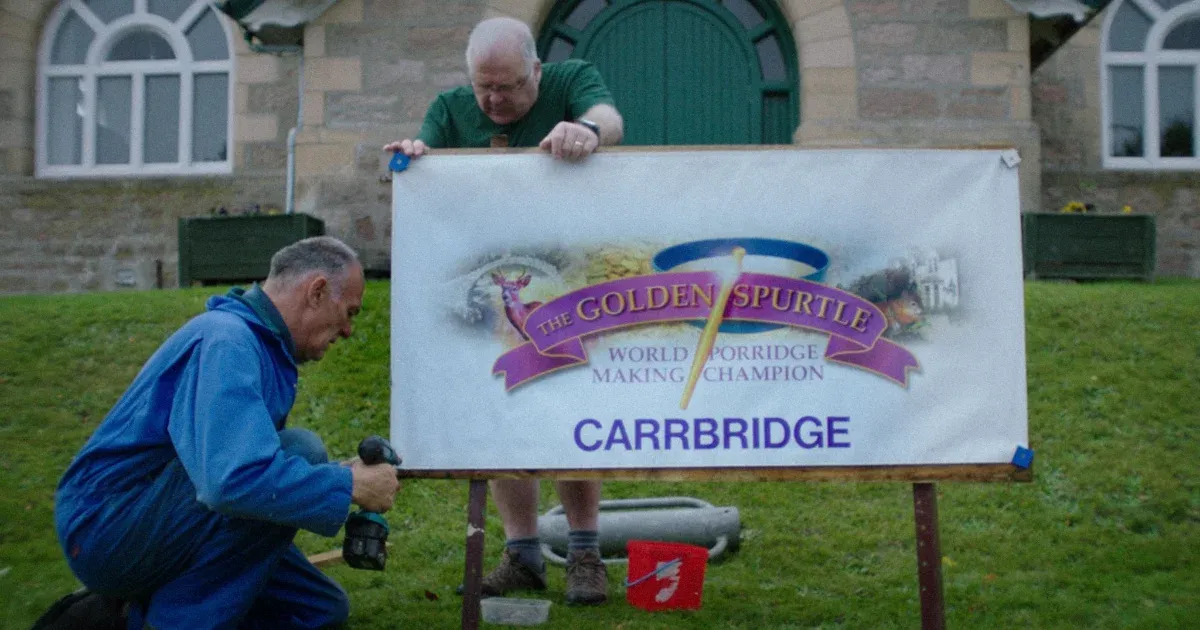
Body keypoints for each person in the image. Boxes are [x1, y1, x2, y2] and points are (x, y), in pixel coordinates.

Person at [383, 17, 623, 605]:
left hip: (568, 281)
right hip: (490, 290)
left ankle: (585, 553)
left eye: (507, 87)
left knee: (569, 404)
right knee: (500, 410)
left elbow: (609, 118)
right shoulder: (450, 109)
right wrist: (416, 157)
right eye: (483, 87)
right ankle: (522, 555)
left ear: (536, 71)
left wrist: (587, 131)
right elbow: (426, 161)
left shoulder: (571, 80)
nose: (492, 101)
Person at [46, 236, 400, 629]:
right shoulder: (228, 340)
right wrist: (347, 485)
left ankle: (134, 610)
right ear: (316, 292)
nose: (348, 330)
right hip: (106, 527)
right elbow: (231, 480)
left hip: (158, 511)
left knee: (317, 610)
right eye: (349, 312)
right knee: (301, 451)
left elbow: (233, 468)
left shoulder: (255, 343)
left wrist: (335, 478)